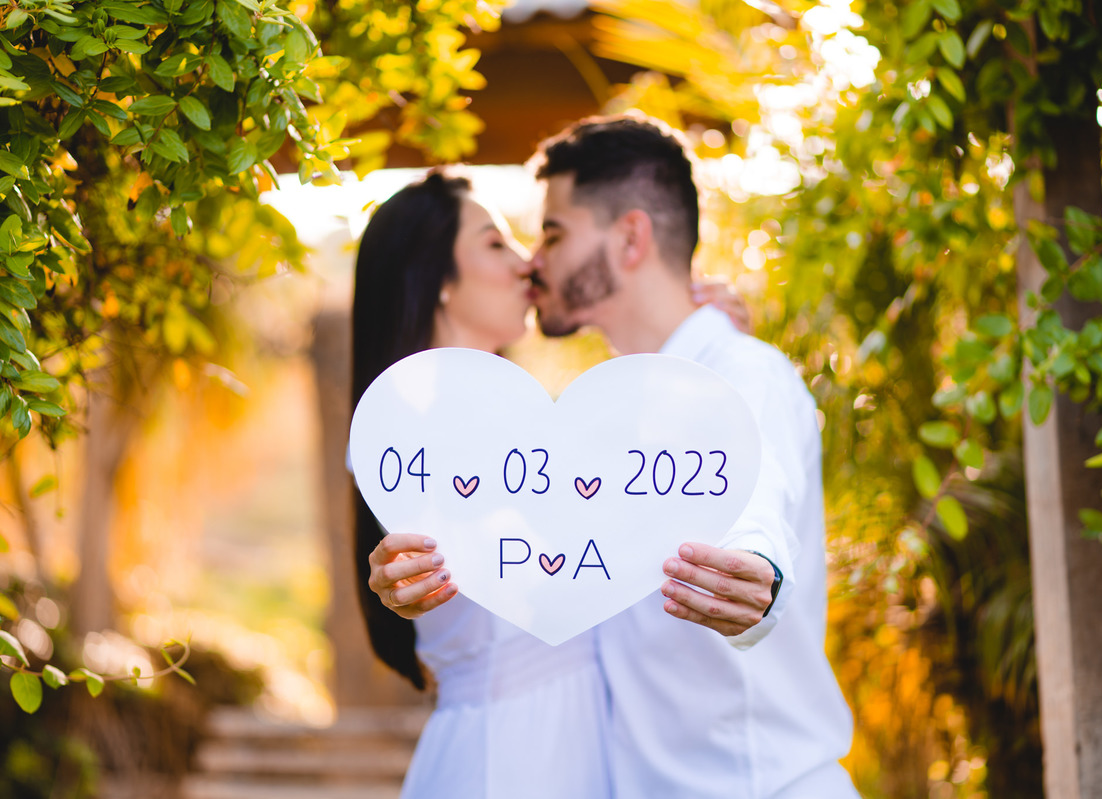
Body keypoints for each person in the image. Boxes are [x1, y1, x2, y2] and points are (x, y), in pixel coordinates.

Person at [351, 167, 751, 798]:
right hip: (506, 758)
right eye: (495, 243)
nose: (526, 263)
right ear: (436, 281)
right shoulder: (408, 438)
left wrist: (697, 347)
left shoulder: (528, 428)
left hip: (586, 743)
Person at [525, 115, 859, 798]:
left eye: (554, 233)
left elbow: (758, 494)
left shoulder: (743, 374)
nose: (536, 259)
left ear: (630, 238)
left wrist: (757, 575)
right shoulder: (602, 413)